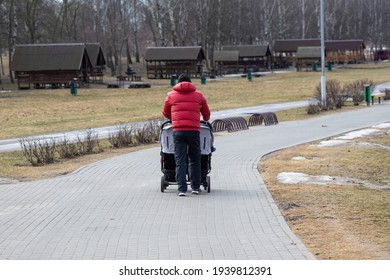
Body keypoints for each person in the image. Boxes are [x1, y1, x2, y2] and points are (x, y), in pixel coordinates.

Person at [162, 73, 211, 196]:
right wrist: (204, 118)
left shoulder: (171, 95)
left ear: (178, 83)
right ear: (190, 83)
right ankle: (195, 187)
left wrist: (174, 119)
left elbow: (165, 112)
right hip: (194, 131)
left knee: (180, 160)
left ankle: (182, 189)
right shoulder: (199, 96)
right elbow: (206, 114)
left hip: (178, 131)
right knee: (195, 159)